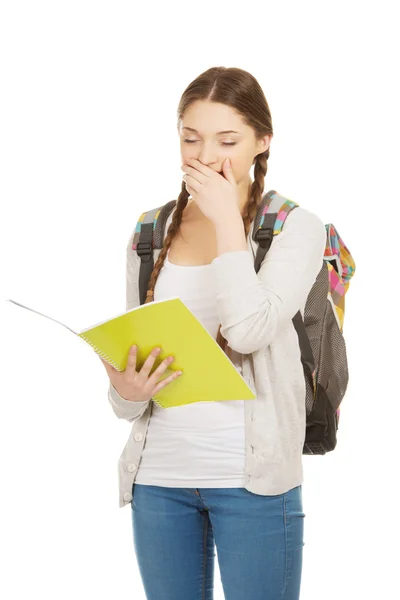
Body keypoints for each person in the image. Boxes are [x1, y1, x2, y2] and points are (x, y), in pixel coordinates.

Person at [101, 66, 327, 600]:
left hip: (254, 483)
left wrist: (228, 219)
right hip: (159, 479)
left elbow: (249, 331)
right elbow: (132, 374)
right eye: (190, 138)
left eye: (227, 140)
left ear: (261, 141)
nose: (204, 156)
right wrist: (124, 392)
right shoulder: (150, 230)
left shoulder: (294, 227)